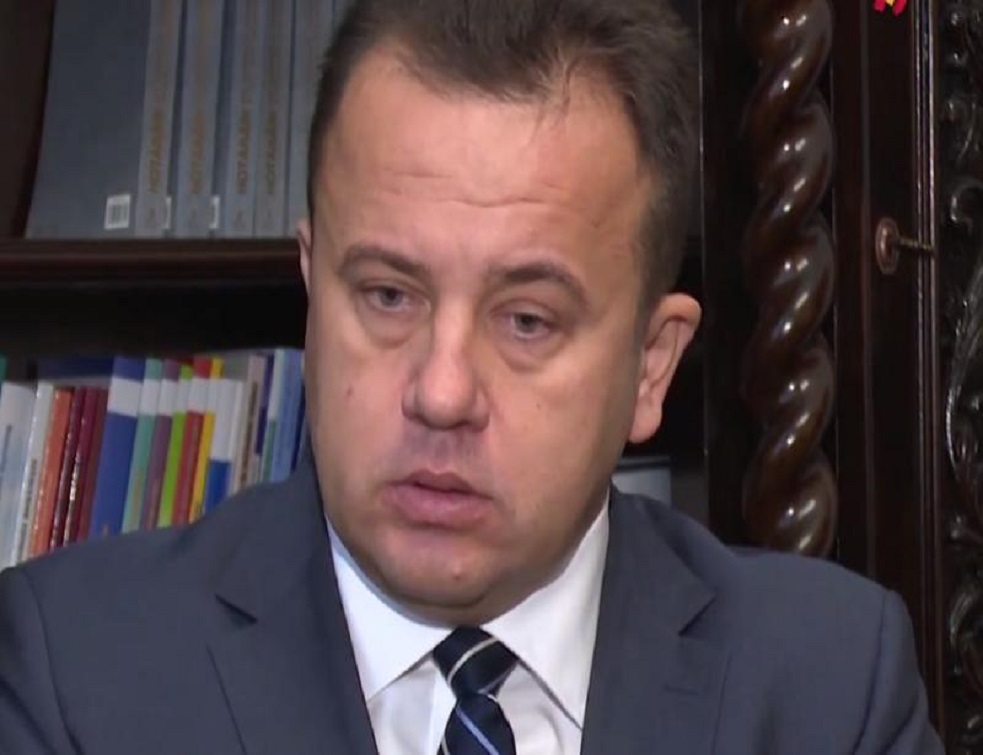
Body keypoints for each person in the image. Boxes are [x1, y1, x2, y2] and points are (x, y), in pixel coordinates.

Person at [0, 0, 944, 752]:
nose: (441, 392)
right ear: (312, 286)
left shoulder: (826, 691)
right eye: (387, 295)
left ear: (650, 364)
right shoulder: (75, 672)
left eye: (527, 319)